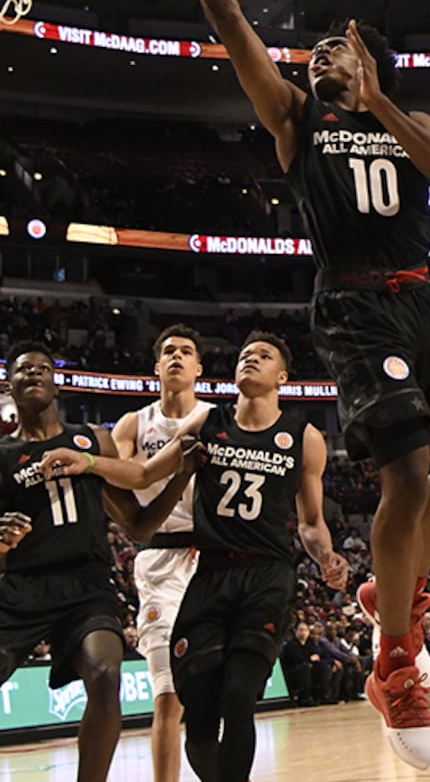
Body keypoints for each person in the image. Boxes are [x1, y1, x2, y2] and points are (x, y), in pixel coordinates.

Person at [129, 0, 430, 770]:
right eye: (318, 48)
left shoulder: (411, 125)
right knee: (409, 483)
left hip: (429, 305)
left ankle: (391, 594)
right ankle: (395, 668)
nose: (320, 52)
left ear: (373, 66)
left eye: (339, 47)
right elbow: (227, 20)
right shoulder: (296, 119)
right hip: (358, 307)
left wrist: (382, 102)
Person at [42, 331, 348, 782]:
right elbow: (143, 471)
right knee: (200, 723)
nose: (250, 359)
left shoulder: (304, 437)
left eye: (263, 356)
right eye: (244, 354)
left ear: (282, 376)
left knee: (241, 695)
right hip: (209, 571)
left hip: (266, 576)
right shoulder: (208, 425)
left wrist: (326, 557)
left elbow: (310, 521)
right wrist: (89, 463)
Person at [0, 341, 197, 782]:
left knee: (106, 673)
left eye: (43, 368)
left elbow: (139, 526)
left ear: (56, 381)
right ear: (8, 386)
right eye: (24, 369)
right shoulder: (1, 457)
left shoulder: (92, 440)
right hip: (20, 587)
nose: (34, 374)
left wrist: (180, 475)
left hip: (86, 587)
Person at [112, 323, 212, 782]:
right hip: (157, 560)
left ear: (198, 368)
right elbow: (122, 491)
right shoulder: (133, 424)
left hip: (211, 560)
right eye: (168, 351)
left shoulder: (216, 417)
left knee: (217, 690)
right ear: (156, 367)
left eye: (185, 351)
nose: (176, 356)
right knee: (167, 697)